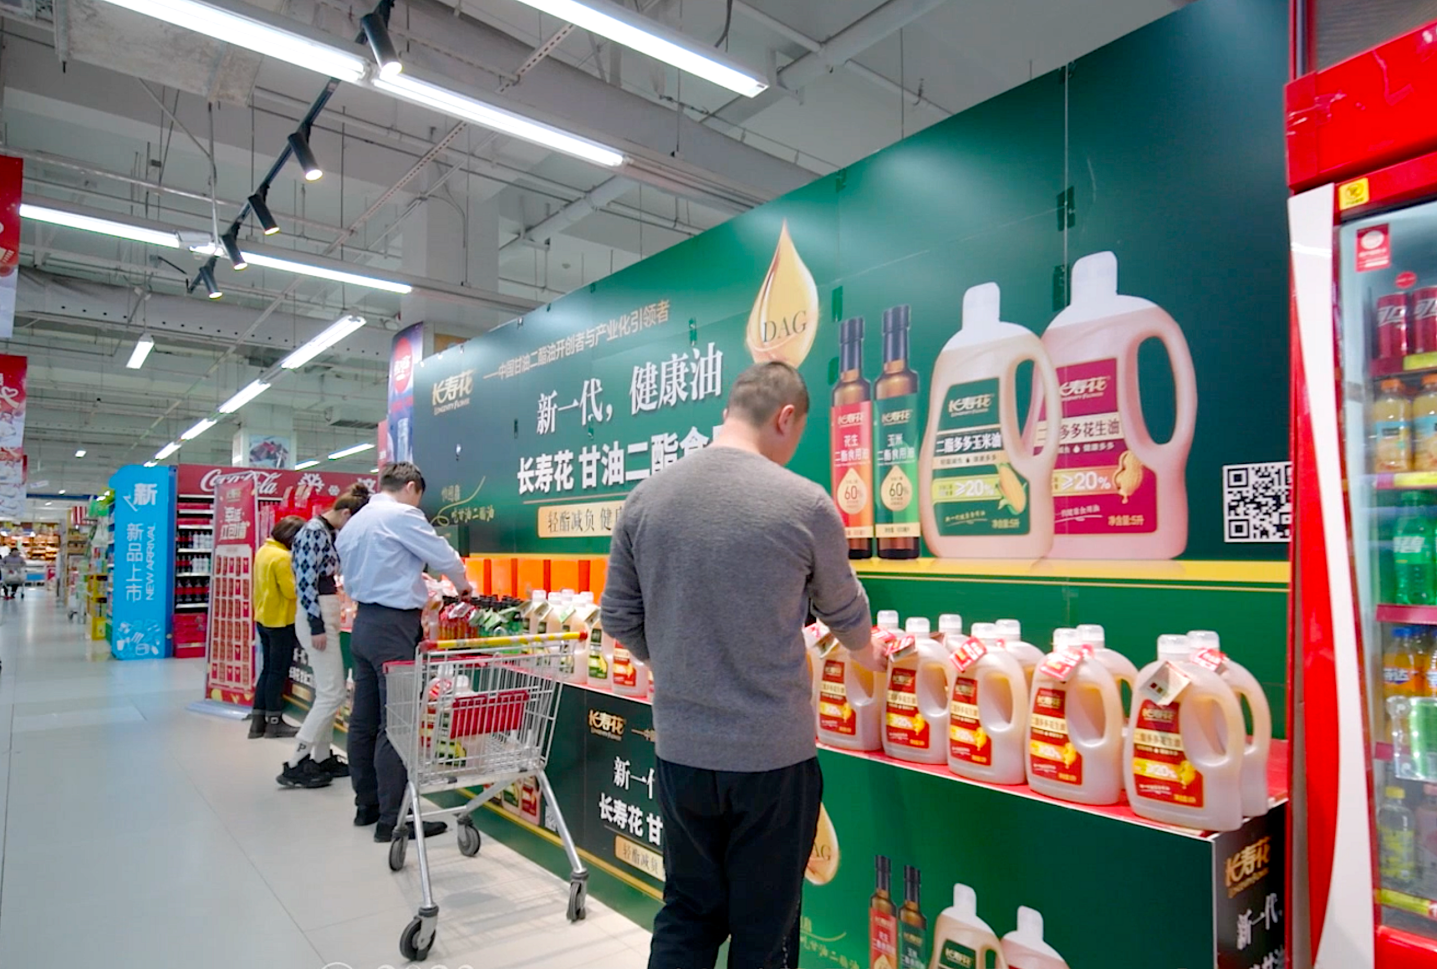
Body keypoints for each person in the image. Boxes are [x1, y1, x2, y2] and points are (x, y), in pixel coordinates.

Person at [601, 361, 885, 969]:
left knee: (687, 911)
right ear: (786, 417)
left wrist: (678, 662)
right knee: (766, 928)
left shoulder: (645, 499)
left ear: (730, 410)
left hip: (681, 750)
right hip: (771, 757)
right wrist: (873, 655)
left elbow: (618, 617)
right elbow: (847, 616)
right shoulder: (804, 503)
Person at [337, 461, 472, 843]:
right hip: (393, 629)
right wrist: (463, 587)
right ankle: (393, 820)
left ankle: (367, 806)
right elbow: (444, 557)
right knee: (397, 723)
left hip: (364, 624)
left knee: (363, 720)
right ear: (411, 487)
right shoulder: (402, 515)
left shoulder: (356, 521)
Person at [277, 483, 371, 789]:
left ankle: (321, 757)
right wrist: (316, 625)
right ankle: (296, 761)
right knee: (333, 693)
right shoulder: (314, 533)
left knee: (327, 690)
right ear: (345, 514)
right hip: (316, 613)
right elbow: (305, 583)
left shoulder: (325, 532)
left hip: (323, 610)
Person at [249, 516, 306, 740]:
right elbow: (291, 591)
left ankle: (258, 722)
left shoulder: (264, 551)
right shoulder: (283, 558)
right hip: (281, 621)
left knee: (267, 670)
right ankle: (274, 722)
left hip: (264, 617)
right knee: (277, 672)